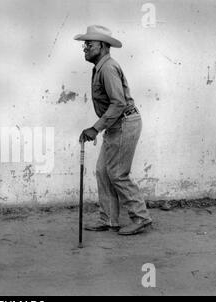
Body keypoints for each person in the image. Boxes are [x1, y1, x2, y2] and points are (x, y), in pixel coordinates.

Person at [74, 25, 152, 235]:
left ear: (103, 45)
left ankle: (141, 218)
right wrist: (99, 127)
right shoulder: (100, 66)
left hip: (124, 122)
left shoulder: (107, 68)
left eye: (89, 44)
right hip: (116, 124)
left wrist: (95, 128)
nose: (85, 48)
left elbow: (118, 103)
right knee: (103, 171)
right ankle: (109, 219)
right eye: (85, 44)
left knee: (117, 173)